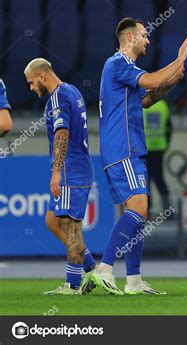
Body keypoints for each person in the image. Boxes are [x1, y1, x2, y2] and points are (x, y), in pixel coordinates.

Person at [92, 17, 187, 295]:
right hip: (123, 148)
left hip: (132, 148)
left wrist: (172, 82)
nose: (148, 40)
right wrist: (178, 60)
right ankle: (105, 268)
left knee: (139, 214)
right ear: (130, 38)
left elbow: (147, 99)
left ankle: (133, 281)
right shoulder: (117, 63)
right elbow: (154, 79)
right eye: (144, 35)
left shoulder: (126, 69)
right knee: (138, 209)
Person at [24, 58, 95, 295]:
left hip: (69, 170)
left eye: (31, 82)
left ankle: (73, 285)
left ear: (42, 75)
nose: (31, 88)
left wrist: (56, 171)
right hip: (78, 166)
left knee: (71, 226)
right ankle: (91, 269)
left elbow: (62, 133)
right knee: (52, 221)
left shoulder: (57, 98)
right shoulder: (72, 91)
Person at [143, 99, 172, 212]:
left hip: (145, 148)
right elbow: (169, 126)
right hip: (159, 147)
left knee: (146, 179)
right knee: (159, 178)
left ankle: (146, 210)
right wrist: (166, 143)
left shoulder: (141, 104)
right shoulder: (163, 105)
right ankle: (168, 210)